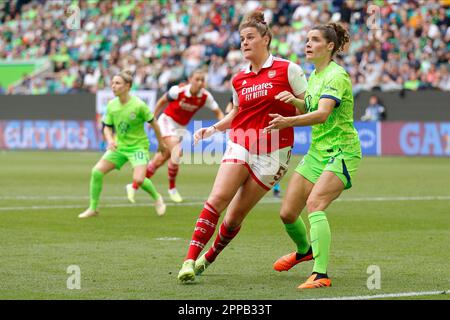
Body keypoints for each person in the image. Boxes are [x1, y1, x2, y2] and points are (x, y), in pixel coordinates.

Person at [177, 11, 308, 283]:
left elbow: (310, 106)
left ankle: (208, 258)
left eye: (250, 38)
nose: (244, 43)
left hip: (274, 154)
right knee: (218, 198)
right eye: (241, 39)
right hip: (241, 143)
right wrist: (213, 128)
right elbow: (236, 114)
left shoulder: (289, 70)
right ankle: (189, 260)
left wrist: (294, 104)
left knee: (234, 217)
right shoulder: (239, 79)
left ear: (266, 39)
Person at [264, 23, 362, 289]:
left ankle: (320, 274)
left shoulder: (336, 76)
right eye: (307, 39)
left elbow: (322, 114)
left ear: (330, 46)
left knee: (315, 205)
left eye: (315, 40)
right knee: (287, 213)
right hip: (318, 152)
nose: (308, 44)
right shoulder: (315, 75)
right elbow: (311, 105)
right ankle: (304, 251)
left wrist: (287, 121)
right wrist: (295, 102)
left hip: (342, 152)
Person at [126, 69, 225, 204]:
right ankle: (172, 189)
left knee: (158, 162)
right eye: (197, 79)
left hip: (180, 129)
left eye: (202, 80)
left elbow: (218, 112)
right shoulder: (178, 91)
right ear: (190, 79)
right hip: (166, 121)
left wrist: (222, 126)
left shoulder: (205, 97)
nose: (200, 82)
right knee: (177, 152)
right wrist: (152, 118)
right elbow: (162, 102)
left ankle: (133, 186)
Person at [78, 70, 167, 218]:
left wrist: (161, 144)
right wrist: (110, 140)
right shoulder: (112, 105)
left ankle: (157, 198)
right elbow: (106, 126)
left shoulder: (139, 105)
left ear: (128, 86)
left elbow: (155, 124)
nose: (113, 86)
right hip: (120, 146)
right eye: (112, 83)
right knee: (96, 171)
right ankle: (93, 208)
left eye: (117, 83)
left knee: (138, 179)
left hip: (138, 147)